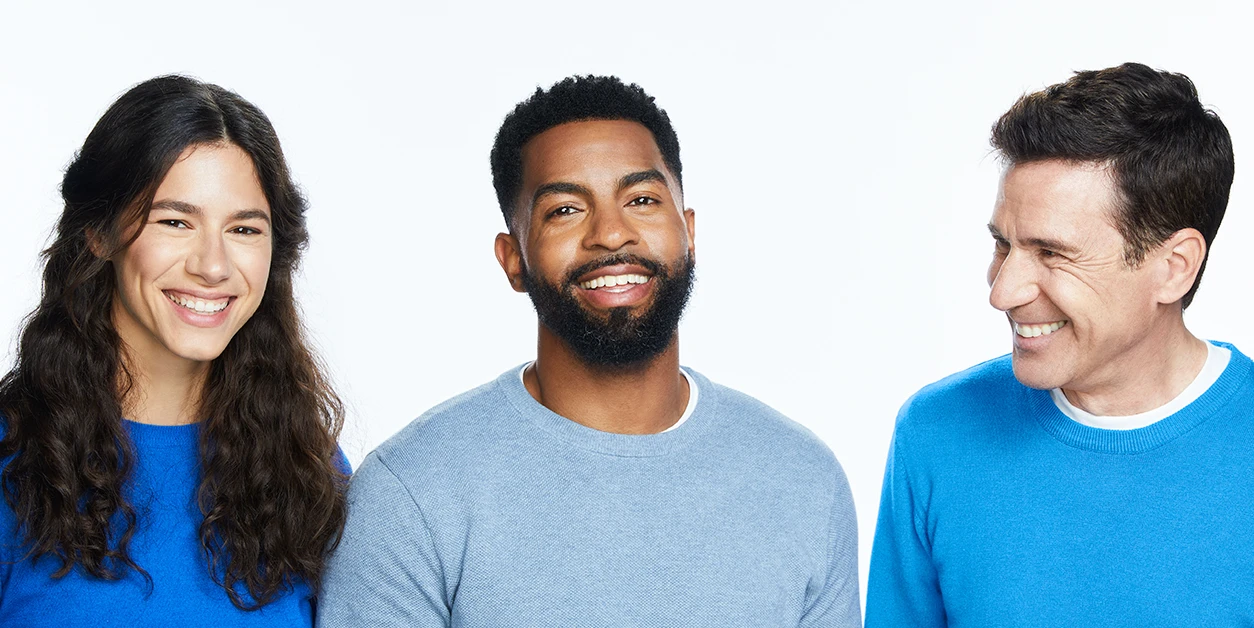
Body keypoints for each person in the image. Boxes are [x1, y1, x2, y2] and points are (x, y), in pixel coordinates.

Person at [318, 75, 861, 627]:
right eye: (565, 210)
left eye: (643, 200)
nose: (611, 233)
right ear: (512, 258)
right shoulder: (411, 493)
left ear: (689, 231)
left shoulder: (803, 481)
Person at [866, 62, 1248, 625]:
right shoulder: (937, 433)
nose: (1003, 292)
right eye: (1003, 245)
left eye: (1052, 253)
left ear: (1174, 267)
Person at [0, 76, 348, 625]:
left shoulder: (307, 470)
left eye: (244, 229)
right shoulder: (11, 456)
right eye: (175, 221)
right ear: (98, 231)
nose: (212, 265)